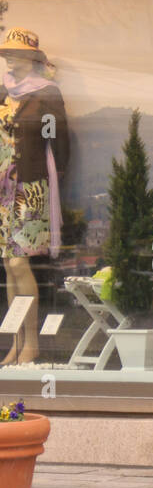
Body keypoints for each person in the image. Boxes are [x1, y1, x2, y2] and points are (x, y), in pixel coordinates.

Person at [0, 27, 69, 366]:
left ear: (32, 58)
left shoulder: (46, 95)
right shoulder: (2, 93)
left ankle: (33, 343)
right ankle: (17, 343)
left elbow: (58, 144)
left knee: (18, 262)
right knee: (8, 268)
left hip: (30, 187)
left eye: (15, 52)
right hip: (3, 190)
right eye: (6, 52)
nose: (9, 57)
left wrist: (55, 184)